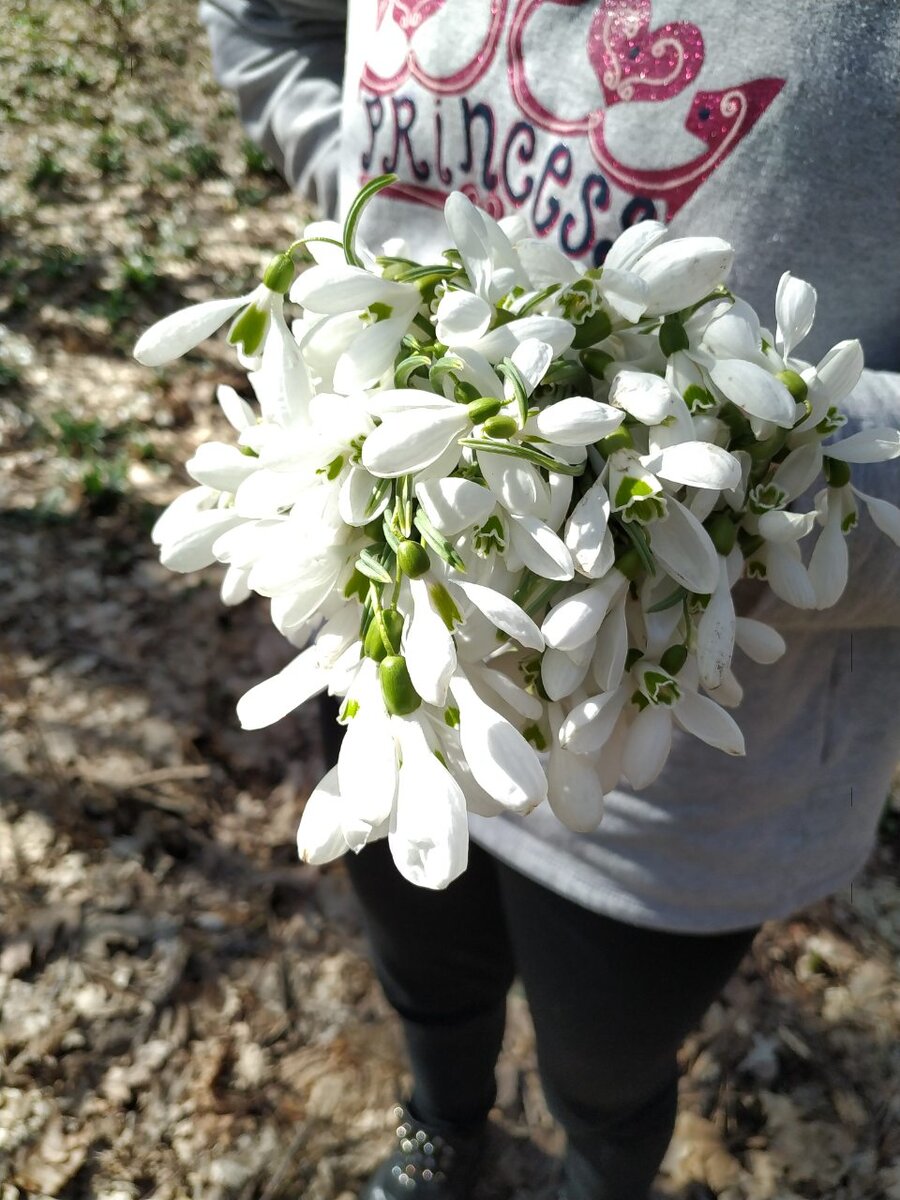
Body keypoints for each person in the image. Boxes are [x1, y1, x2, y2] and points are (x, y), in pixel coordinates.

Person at [196, 2, 900, 1197]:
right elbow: (268, 24)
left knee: (606, 1064)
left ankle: (600, 1168)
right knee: (424, 965)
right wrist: (375, 251)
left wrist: (764, 495)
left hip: (687, 792)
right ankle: (442, 1122)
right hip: (393, 682)